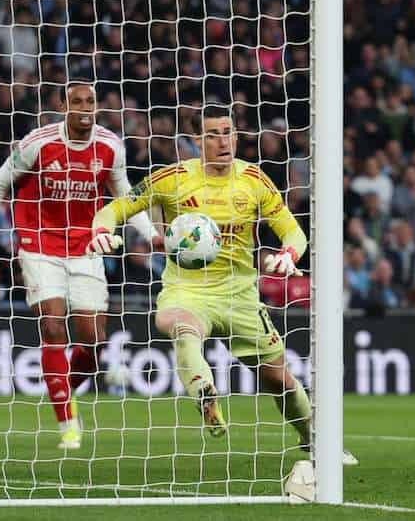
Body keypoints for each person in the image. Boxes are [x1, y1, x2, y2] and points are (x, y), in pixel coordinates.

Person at [87, 104, 357, 464]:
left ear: (236, 136)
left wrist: (289, 254)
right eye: (213, 134)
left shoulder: (254, 180)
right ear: (197, 140)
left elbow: (293, 231)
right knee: (177, 324)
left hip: (240, 295)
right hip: (188, 289)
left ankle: (316, 442)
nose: (222, 141)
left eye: (227, 132)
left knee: (279, 380)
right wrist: (102, 231)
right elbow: (115, 208)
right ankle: (204, 391)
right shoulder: (172, 178)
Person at [0, 83, 158, 450]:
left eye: (90, 101)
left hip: (86, 247)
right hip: (39, 244)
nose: (85, 108)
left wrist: (152, 236)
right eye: (76, 101)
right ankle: (67, 422)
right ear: (63, 106)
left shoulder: (110, 146)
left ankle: (61, 390)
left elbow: (125, 196)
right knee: (53, 326)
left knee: (94, 341)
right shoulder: (39, 143)